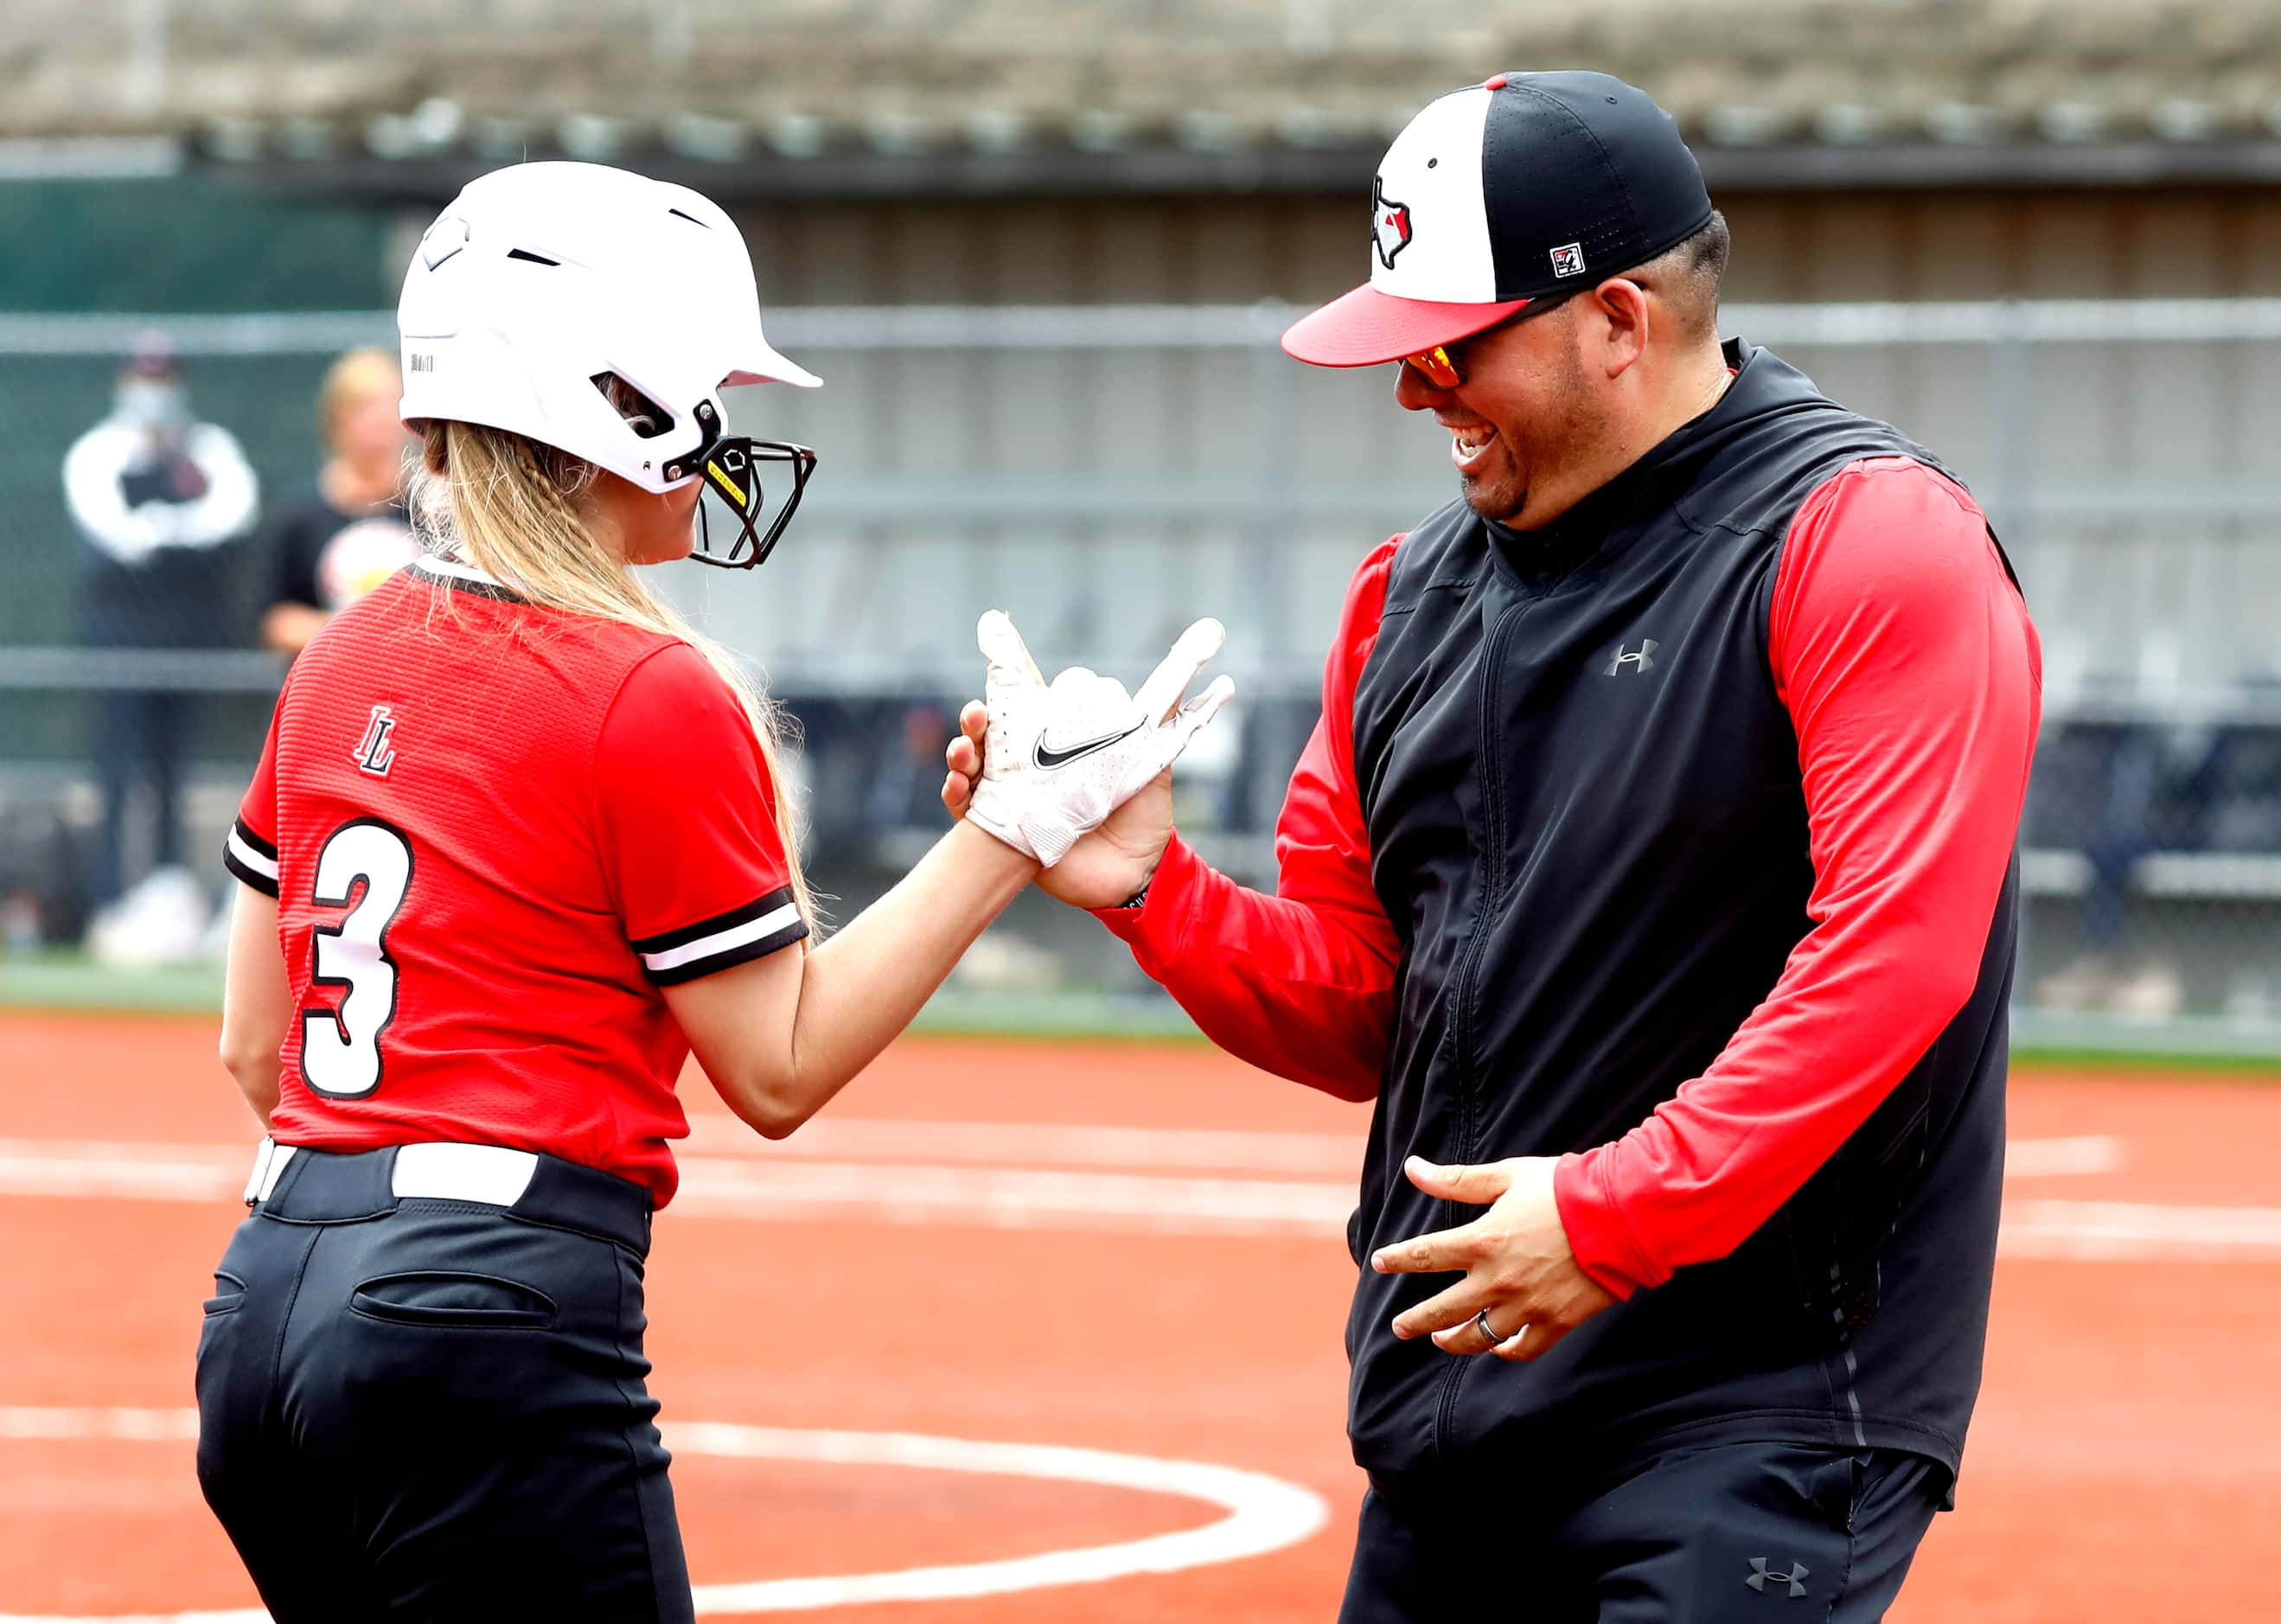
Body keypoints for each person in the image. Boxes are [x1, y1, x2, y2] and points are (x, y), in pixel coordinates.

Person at [944, 72, 2042, 1621]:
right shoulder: (1405, 593)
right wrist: (1148, 886)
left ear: (1614, 319)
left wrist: (1612, 1214)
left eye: (1448, 344)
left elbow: (1892, 955)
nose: (1412, 388)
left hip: (1750, 1414)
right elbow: (1366, 1014)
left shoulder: (1865, 538)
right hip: (1458, 1410)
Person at [200, 160, 1230, 1619]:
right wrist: (1009, 827)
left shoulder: (338, 654)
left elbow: (257, 1045)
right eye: (706, 394)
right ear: (613, 404)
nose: (723, 436)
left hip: (263, 1299)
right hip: (489, 1301)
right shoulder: (650, 687)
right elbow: (778, 1062)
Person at [61, 330, 259, 951]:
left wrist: (165, 531)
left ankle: (176, 903)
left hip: (191, 639)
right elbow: (114, 535)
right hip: (119, 641)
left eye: (165, 376)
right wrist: (173, 534)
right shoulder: (99, 451)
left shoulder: (209, 449)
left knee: (178, 775)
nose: (155, 390)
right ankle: (110, 905)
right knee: (118, 773)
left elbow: (233, 516)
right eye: (145, 376)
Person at [259, 347, 420, 655]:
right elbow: (275, 621)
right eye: (365, 407)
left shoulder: (432, 511)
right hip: (328, 683)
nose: (382, 419)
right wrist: (364, 631)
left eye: (391, 404)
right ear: (336, 418)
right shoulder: (299, 515)